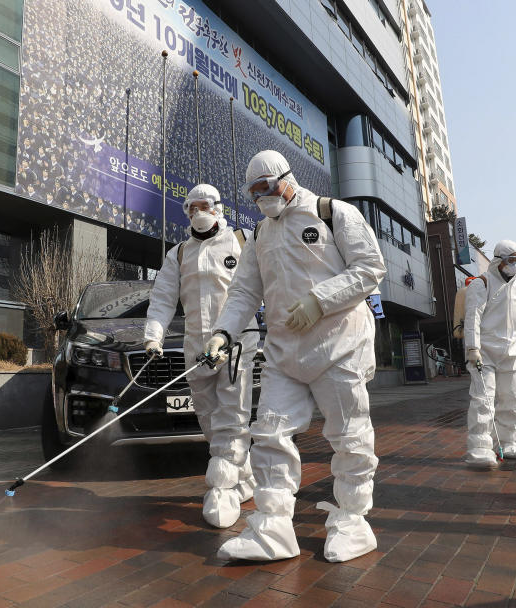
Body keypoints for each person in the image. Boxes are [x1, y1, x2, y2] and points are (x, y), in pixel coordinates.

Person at [204, 150, 386, 562]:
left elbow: (370, 267)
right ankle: (272, 527)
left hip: (339, 344)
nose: (262, 197)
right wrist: (222, 333)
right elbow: (244, 292)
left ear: (286, 178)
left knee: (350, 436)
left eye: (267, 187)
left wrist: (320, 300)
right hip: (285, 353)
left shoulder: (331, 213)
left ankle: (353, 521)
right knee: (268, 433)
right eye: (254, 192)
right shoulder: (259, 235)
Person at [144, 183, 257, 529]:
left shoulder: (242, 241)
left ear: (219, 206)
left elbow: (264, 284)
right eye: (190, 208)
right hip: (196, 349)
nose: (197, 212)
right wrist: (153, 336)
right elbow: (163, 298)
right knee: (209, 419)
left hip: (237, 343)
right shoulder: (179, 253)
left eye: (203, 205)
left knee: (232, 415)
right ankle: (245, 477)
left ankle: (222, 490)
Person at [462, 240, 516, 467]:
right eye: (510, 260)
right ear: (498, 260)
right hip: (486, 352)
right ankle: (479, 448)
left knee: (512, 399)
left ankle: (509, 441)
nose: (514, 265)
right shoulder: (481, 284)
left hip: (512, 352)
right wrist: (472, 347)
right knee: (483, 401)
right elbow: (472, 316)